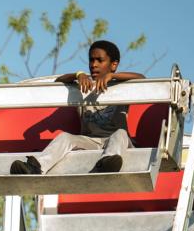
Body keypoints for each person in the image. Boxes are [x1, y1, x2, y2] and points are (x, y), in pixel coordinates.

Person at [11, 40, 143, 176]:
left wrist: (112, 76)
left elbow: (141, 79)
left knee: (120, 133)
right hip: (90, 142)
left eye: (100, 60)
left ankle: (107, 162)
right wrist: (78, 74)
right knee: (66, 137)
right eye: (91, 60)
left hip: (116, 143)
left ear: (113, 65)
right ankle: (35, 167)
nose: (94, 65)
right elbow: (57, 82)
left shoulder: (122, 87)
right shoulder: (83, 86)